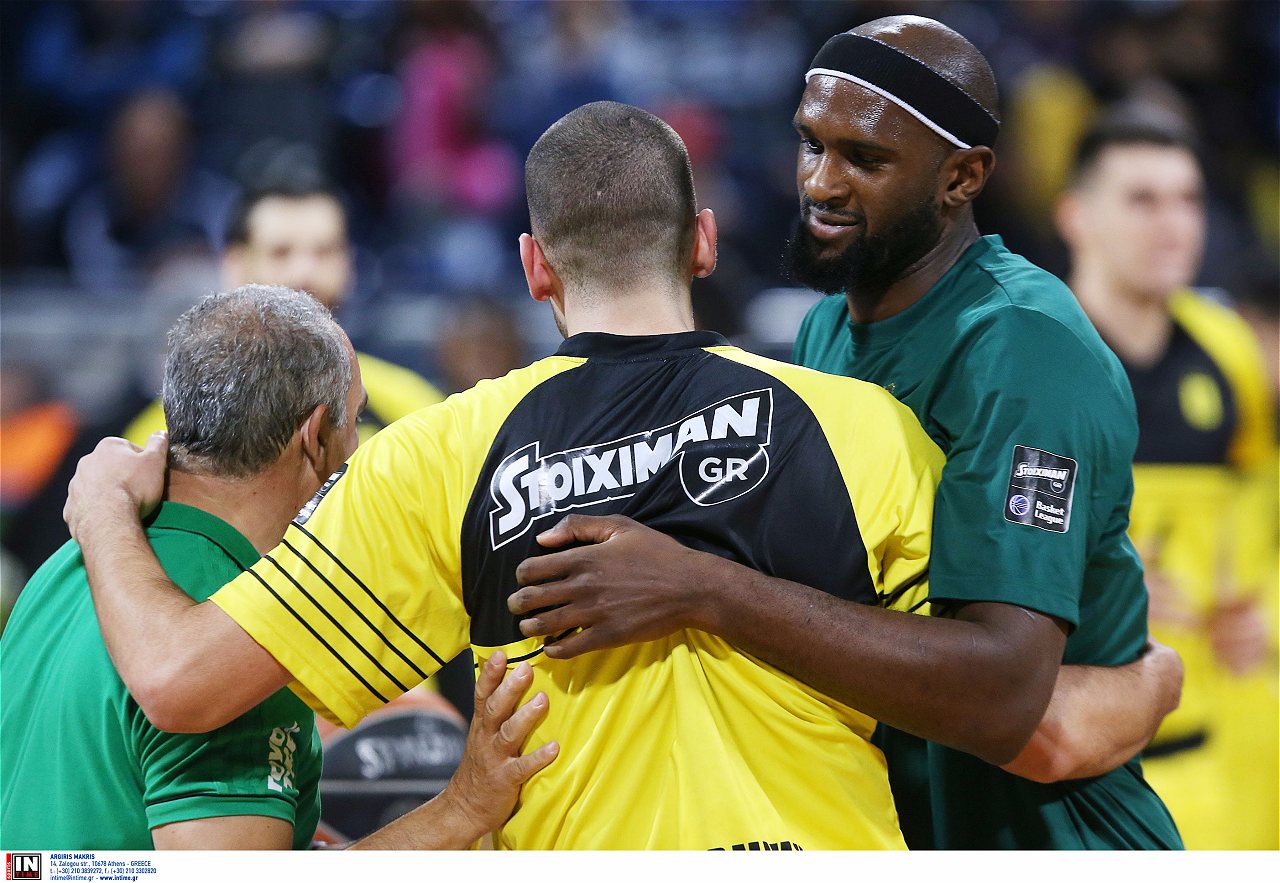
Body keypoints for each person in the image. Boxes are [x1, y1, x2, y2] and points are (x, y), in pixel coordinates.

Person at [65, 101, 953, 850]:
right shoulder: (865, 426)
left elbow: (177, 681)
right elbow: (983, 693)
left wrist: (102, 507)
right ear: (704, 243)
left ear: (535, 267)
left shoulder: (437, 450)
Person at [503, 17, 1185, 849]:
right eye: (811, 144)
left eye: (865, 158)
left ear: (962, 177)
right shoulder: (826, 332)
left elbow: (1005, 694)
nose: (821, 183)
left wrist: (701, 587)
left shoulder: (1021, 345)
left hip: (1053, 839)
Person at [0, 286, 555, 850]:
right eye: (354, 422)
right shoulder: (238, 644)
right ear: (316, 438)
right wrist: (460, 810)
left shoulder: (67, 567)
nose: (357, 447)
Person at [1056, 117, 1278, 848]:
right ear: (1076, 215)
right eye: (1143, 199)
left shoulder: (1229, 349)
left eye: (1188, 199)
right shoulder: (1031, 355)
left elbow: (1260, 498)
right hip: (1076, 751)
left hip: (1223, 738)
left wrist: (1267, 609)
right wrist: (1100, 588)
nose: (1174, 224)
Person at [123, 177, 444, 448]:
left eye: (324, 251)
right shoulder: (161, 437)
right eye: (280, 252)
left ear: (349, 263)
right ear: (235, 265)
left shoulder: (413, 413)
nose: (304, 273)